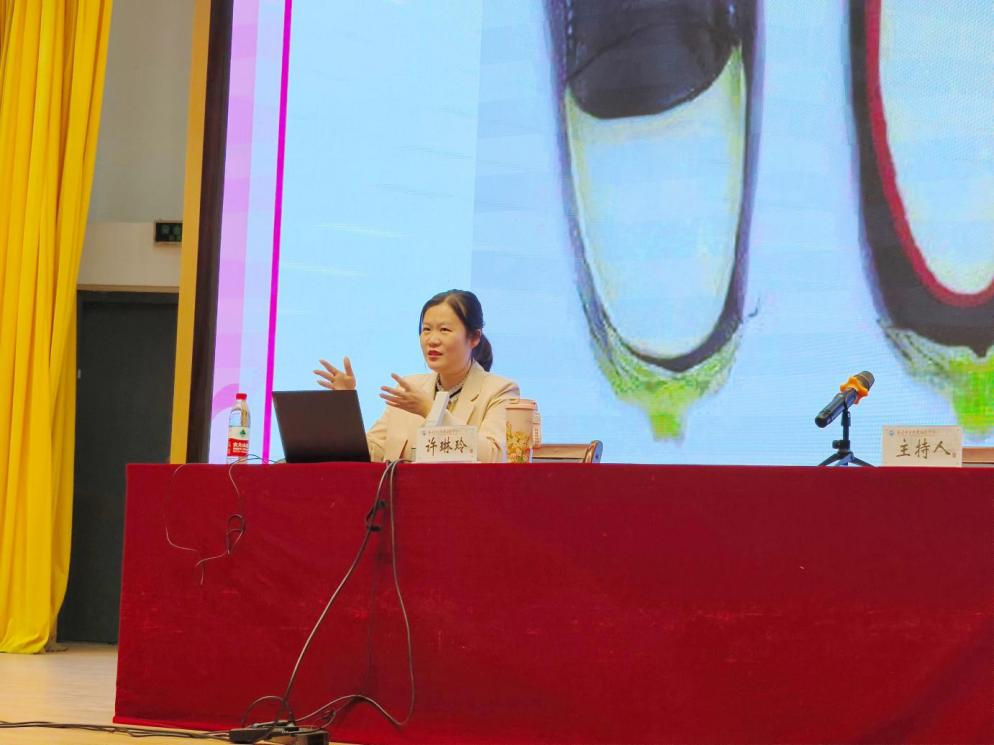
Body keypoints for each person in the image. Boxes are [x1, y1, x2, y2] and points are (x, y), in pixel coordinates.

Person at [314, 289, 520, 462]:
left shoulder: (500, 391)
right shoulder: (409, 387)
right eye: (426, 329)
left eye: (444, 330)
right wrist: (344, 405)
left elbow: (495, 457)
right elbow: (371, 452)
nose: (432, 340)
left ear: (474, 337)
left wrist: (430, 410)